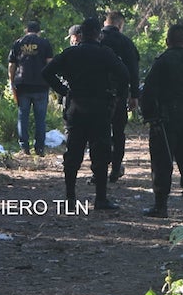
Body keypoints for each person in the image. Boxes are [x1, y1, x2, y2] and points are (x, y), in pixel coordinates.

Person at [42, 17, 130, 210]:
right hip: (99, 107)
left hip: (76, 106)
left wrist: (64, 90)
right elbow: (125, 75)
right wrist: (115, 94)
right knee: (101, 153)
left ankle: (70, 197)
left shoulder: (71, 53)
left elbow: (47, 72)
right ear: (98, 34)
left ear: (80, 34)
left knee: (73, 152)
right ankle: (100, 198)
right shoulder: (105, 54)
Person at [140, 24, 183, 218]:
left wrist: (150, 116)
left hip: (166, 118)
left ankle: (160, 205)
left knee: (162, 161)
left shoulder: (163, 61)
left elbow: (149, 91)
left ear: (167, 41)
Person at [98, 11, 141, 183]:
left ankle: (98, 169)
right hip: (119, 94)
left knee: (98, 133)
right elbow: (133, 71)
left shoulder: (96, 39)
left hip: (95, 94)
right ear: (120, 25)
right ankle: (115, 168)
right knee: (118, 132)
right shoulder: (126, 43)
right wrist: (134, 95)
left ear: (105, 22)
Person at [8, 21, 54, 155]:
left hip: (22, 85)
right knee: (40, 118)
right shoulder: (45, 43)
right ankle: (39, 148)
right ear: (39, 31)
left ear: (26, 30)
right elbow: (50, 64)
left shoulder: (18, 43)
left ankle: (24, 147)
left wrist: (12, 82)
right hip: (41, 85)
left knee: (23, 116)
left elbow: (12, 65)